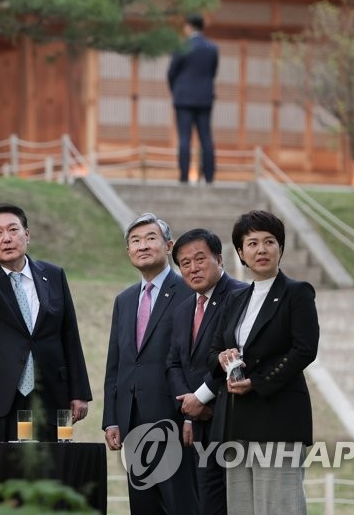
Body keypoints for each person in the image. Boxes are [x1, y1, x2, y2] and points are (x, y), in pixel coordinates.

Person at [0, 202, 91, 442]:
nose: (6, 238)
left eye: (13, 230)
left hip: (48, 390)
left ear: (27, 235)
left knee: (47, 468)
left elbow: (69, 334)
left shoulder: (53, 275)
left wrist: (79, 392)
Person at [209, 210, 320, 514]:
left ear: (280, 249)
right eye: (252, 243)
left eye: (269, 241)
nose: (261, 249)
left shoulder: (297, 293)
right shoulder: (235, 298)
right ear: (241, 253)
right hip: (237, 419)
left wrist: (258, 382)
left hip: (278, 417)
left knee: (280, 506)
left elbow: (304, 349)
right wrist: (222, 357)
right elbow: (215, 348)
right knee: (241, 507)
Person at [103, 212, 197, 515]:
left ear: (168, 245)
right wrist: (111, 418)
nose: (142, 246)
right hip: (132, 421)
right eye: (135, 241)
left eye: (151, 238)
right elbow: (116, 363)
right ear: (128, 251)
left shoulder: (189, 291)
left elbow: (193, 358)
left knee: (181, 504)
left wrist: (191, 415)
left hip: (175, 418)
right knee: (143, 507)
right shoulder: (125, 299)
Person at [167, 228, 249, 515]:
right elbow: (175, 363)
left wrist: (202, 398)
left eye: (200, 259)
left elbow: (238, 357)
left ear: (219, 259)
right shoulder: (182, 309)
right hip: (200, 426)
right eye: (185, 263)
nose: (193, 268)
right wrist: (190, 406)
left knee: (238, 505)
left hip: (232, 419)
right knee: (209, 506)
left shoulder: (241, 296)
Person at [168, 13, 218, 184]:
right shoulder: (212, 48)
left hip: (183, 98)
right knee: (206, 138)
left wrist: (177, 91)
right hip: (205, 98)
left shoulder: (183, 47)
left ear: (188, 26)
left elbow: (172, 73)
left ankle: (184, 176)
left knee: (184, 138)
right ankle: (209, 177)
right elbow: (212, 73)